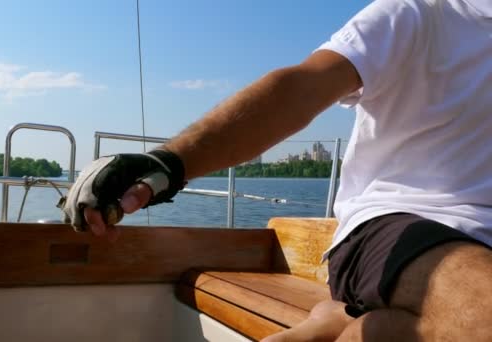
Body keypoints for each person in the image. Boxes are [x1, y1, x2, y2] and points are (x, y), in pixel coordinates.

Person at [63, 0, 492, 340]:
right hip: (400, 223)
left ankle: (345, 321)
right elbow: (300, 89)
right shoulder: (419, 13)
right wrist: (171, 161)